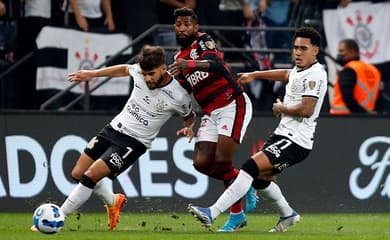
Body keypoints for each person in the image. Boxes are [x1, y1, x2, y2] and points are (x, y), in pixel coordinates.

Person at [31, 45, 196, 231]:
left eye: (151, 74)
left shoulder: (179, 95)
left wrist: (188, 127)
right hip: (113, 129)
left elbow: (189, 116)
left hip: (134, 142)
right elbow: (124, 69)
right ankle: (113, 201)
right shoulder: (138, 72)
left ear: (163, 68)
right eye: (145, 74)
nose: (147, 78)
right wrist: (91, 74)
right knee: (77, 173)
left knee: (90, 175)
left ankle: (57, 218)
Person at [188, 26, 328, 233]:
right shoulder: (301, 70)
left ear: (315, 50)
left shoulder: (316, 75)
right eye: (295, 47)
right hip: (283, 135)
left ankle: (213, 212)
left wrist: (282, 108)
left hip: (297, 140)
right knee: (260, 181)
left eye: (303, 48)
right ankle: (288, 214)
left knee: (249, 168)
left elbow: (307, 110)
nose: (298, 52)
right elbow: (286, 74)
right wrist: (255, 74)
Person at [168, 7, 258, 232]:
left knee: (222, 160)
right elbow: (186, 88)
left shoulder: (203, 42)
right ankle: (243, 183)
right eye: (179, 24)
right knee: (201, 163)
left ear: (195, 27)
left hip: (231, 103)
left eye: (187, 24)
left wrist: (191, 65)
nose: (183, 28)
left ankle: (235, 217)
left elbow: (216, 64)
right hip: (210, 112)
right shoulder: (178, 58)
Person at [330, 39, 381, 115]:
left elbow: (347, 97)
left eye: (341, 51)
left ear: (352, 52)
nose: (339, 54)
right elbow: (379, 99)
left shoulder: (349, 69)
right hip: (369, 119)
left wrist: (362, 114)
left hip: (343, 119)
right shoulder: (374, 70)